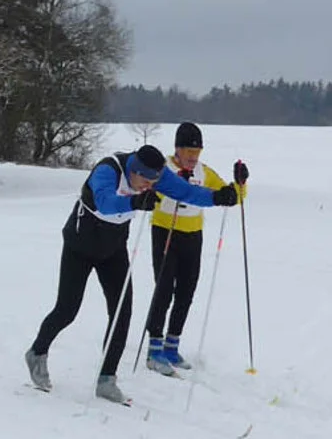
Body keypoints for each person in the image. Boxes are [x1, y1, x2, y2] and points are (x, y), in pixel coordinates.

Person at [25, 143, 238, 403]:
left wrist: (218, 197)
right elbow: (104, 203)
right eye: (145, 181)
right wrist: (134, 201)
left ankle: (107, 379)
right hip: (81, 245)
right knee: (67, 309)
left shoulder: (154, 174)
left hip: (113, 248)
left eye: (154, 182)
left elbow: (185, 191)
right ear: (134, 171)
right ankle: (37, 352)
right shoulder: (108, 170)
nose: (148, 186)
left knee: (121, 313)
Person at [144, 122, 248, 375]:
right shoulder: (163, 168)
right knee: (164, 290)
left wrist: (240, 183)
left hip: (193, 236)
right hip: (165, 232)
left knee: (186, 292)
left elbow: (232, 196)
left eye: (197, 152)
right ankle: (154, 348)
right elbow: (150, 192)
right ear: (177, 149)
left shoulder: (204, 171)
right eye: (189, 152)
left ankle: (172, 345)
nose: (193, 157)